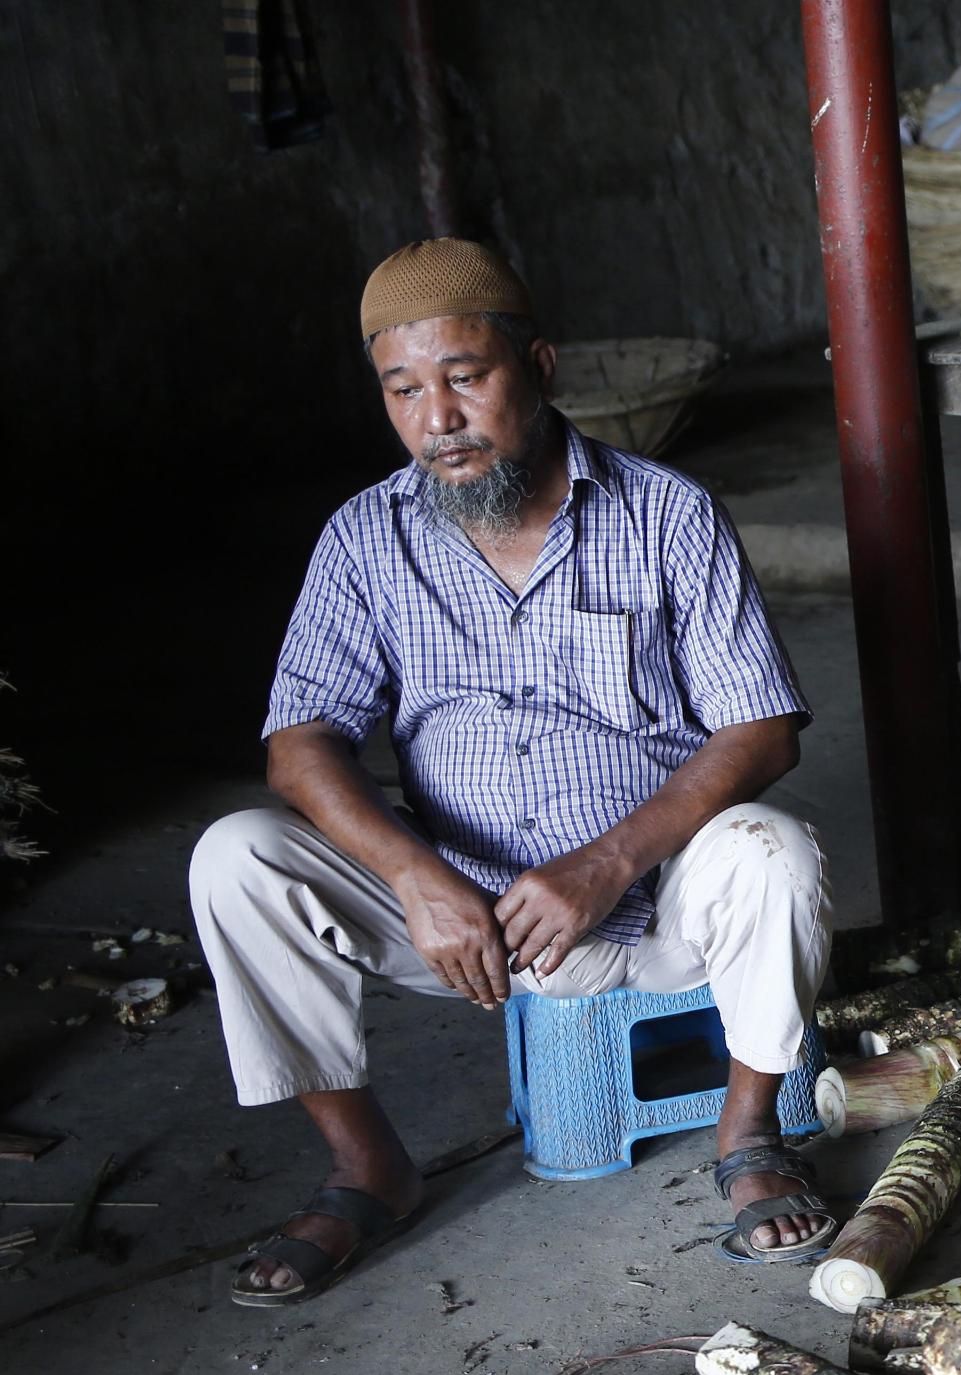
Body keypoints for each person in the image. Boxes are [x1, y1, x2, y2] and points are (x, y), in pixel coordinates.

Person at [191, 238, 838, 1305]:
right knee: (238, 855)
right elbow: (299, 742)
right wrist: (413, 875)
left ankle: (749, 1131)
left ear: (538, 366)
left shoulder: (666, 513)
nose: (435, 417)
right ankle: (367, 1165)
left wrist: (606, 861)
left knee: (775, 848)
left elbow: (764, 729)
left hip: (659, 897)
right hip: (466, 923)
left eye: (464, 376)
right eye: (403, 389)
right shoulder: (365, 538)